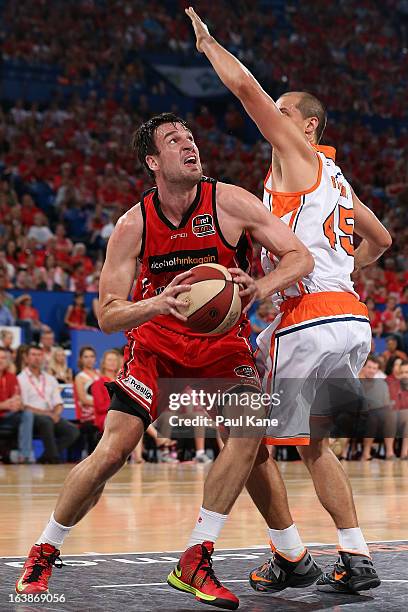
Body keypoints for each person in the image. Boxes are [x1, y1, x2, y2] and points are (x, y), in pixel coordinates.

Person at [15, 112, 313, 606]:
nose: (189, 144)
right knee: (113, 451)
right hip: (156, 344)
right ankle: (44, 550)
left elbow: (299, 256)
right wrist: (156, 303)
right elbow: (108, 316)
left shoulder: (231, 201)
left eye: (191, 137)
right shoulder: (134, 224)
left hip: (223, 346)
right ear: (153, 161)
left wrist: (260, 286)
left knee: (249, 430)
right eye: (174, 140)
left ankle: (197, 558)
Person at [186, 7, 391, 594]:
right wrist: (344, 268)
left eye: (283, 115)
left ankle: (288, 555)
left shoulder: (298, 159)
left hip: (305, 322)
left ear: (308, 129)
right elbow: (381, 240)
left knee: (241, 434)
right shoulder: (339, 181)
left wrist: (209, 46)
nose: (271, 122)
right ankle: (355, 559)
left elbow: (246, 88)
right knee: (314, 446)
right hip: (351, 321)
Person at [17, 345, 79, 464]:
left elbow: (58, 402)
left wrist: (56, 414)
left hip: (51, 416)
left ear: (43, 357)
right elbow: (23, 406)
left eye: (39, 355)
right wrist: (48, 414)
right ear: (26, 358)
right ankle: (54, 458)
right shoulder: (21, 378)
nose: (37, 358)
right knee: (46, 421)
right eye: (33, 355)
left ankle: (47, 456)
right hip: (32, 417)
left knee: (73, 431)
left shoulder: (50, 379)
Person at [360, 355, 396, 461]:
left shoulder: (381, 383)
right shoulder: (356, 381)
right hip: (358, 416)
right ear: (363, 367)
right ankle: (365, 454)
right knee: (373, 416)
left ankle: (390, 453)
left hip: (378, 415)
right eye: (369, 367)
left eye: (374, 368)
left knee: (390, 414)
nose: (371, 371)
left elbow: (386, 402)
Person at [0, 347, 33, 463]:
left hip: (8, 416)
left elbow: (17, 397)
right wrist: (3, 405)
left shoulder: (11, 377)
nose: (1, 360)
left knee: (27, 415)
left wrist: (17, 404)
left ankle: (24, 456)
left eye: (3, 358)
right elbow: (7, 404)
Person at [74, 346, 100, 455]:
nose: (89, 359)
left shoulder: (100, 374)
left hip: (103, 411)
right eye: (86, 357)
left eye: (91, 356)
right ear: (81, 359)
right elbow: (83, 399)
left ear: (95, 358)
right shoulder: (79, 377)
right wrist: (102, 405)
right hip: (88, 414)